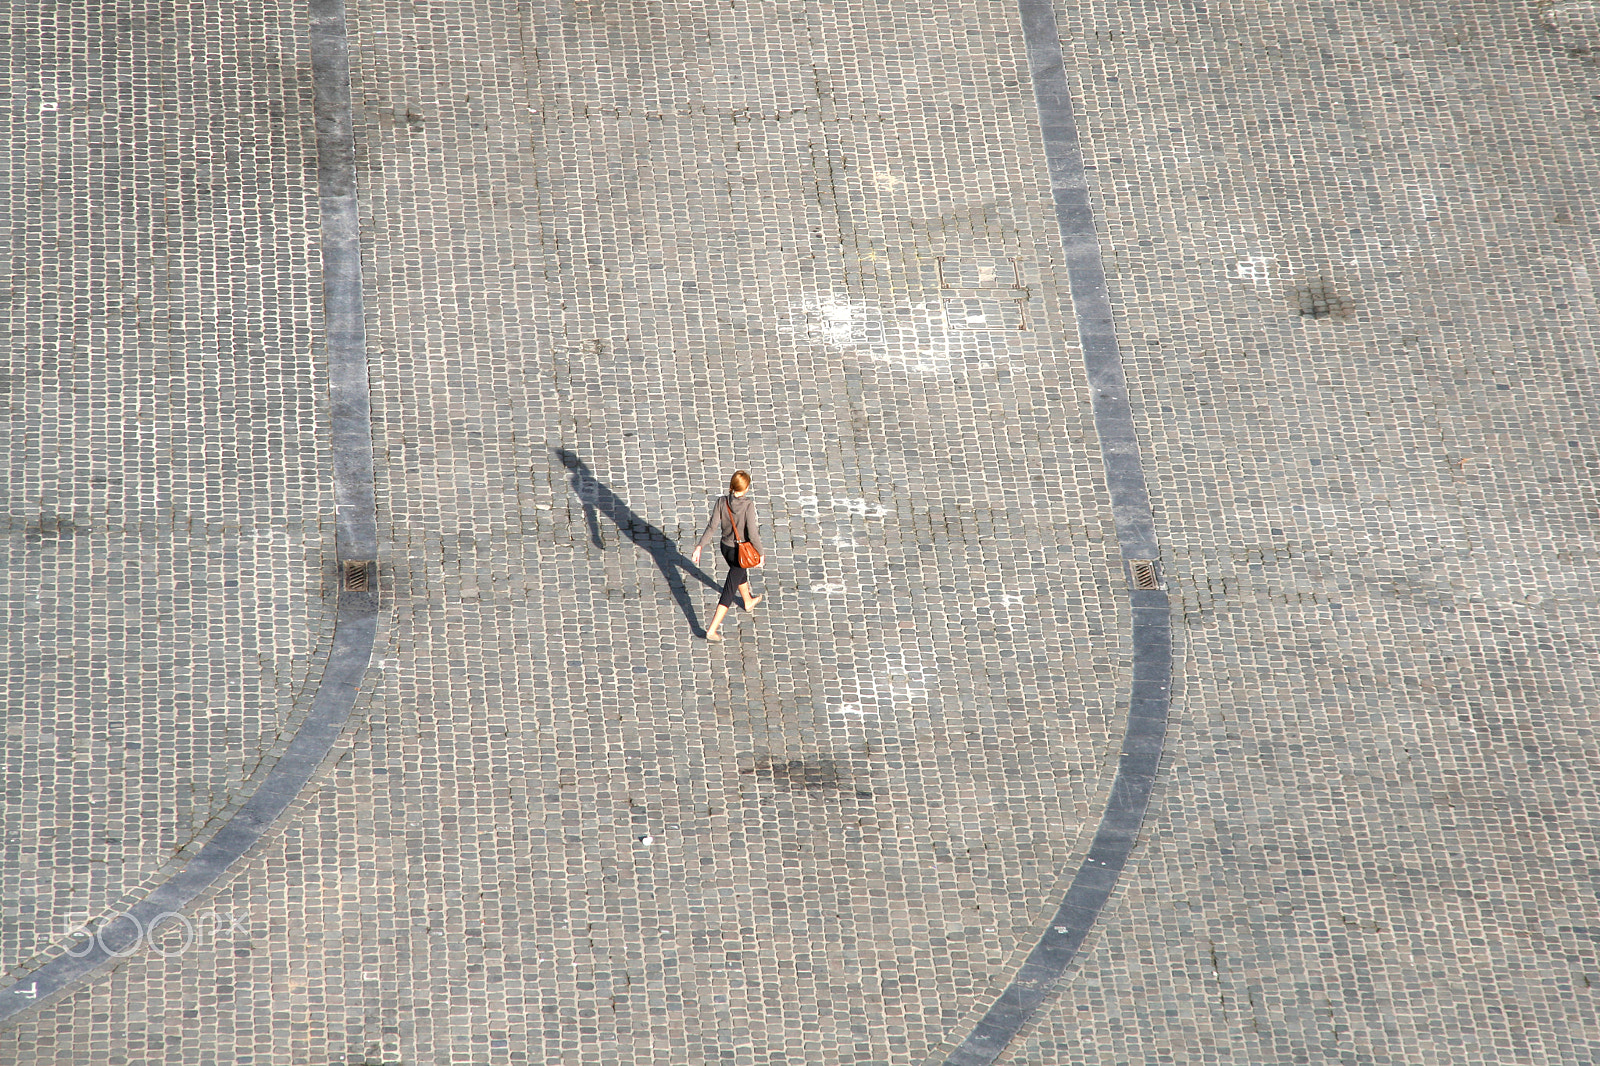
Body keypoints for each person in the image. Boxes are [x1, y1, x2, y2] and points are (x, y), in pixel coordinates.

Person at [691, 470, 763, 641]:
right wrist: (760, 553)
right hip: (740, 552)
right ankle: (712, 629)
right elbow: (752, 533)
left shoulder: (722, 502)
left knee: (739, 574)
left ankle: (747, 601)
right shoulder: (748, 505)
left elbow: (711, 527)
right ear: (745, 489)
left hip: (726, 548)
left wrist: (700, 546)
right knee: (729, 590)